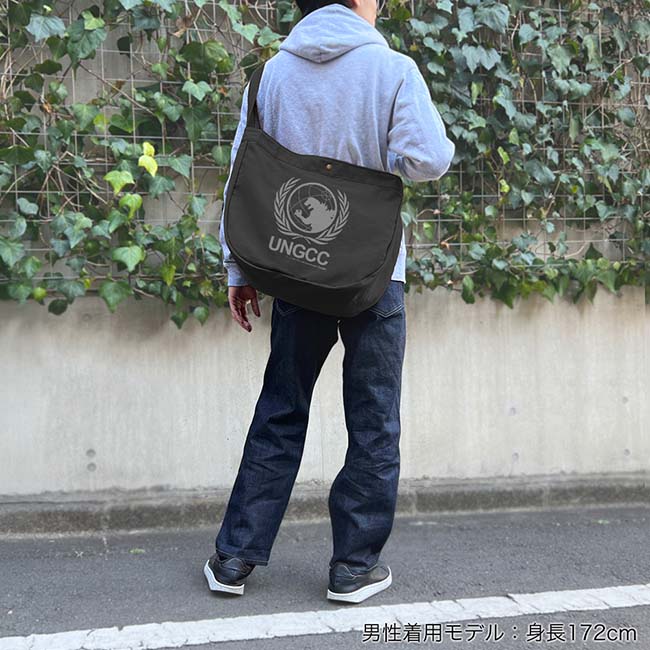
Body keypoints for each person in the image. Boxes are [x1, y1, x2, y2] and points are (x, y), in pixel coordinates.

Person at [204, 0, 455, 604]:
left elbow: (243, 175)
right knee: (373, 420)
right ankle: (353, 567)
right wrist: (375, 153)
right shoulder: (393, 71)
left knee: (281, 409)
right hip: (373, 273)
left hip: (297, 270)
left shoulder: (271, 75)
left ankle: (234, 557)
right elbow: (429, 159)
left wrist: (238, 267)